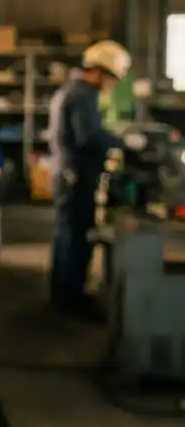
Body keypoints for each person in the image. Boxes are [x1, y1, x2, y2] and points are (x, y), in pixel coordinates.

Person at [47, 40, 131, 319]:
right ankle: (71, 301)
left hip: (68, 174)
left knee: (66, 234)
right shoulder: (83, 95)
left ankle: (62, 295)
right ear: (99, 71)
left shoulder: (70, 90)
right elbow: (88, 137)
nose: (111, 85)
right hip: (76, 176)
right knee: (75, 238)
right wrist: (123, 141)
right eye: (110, 79)